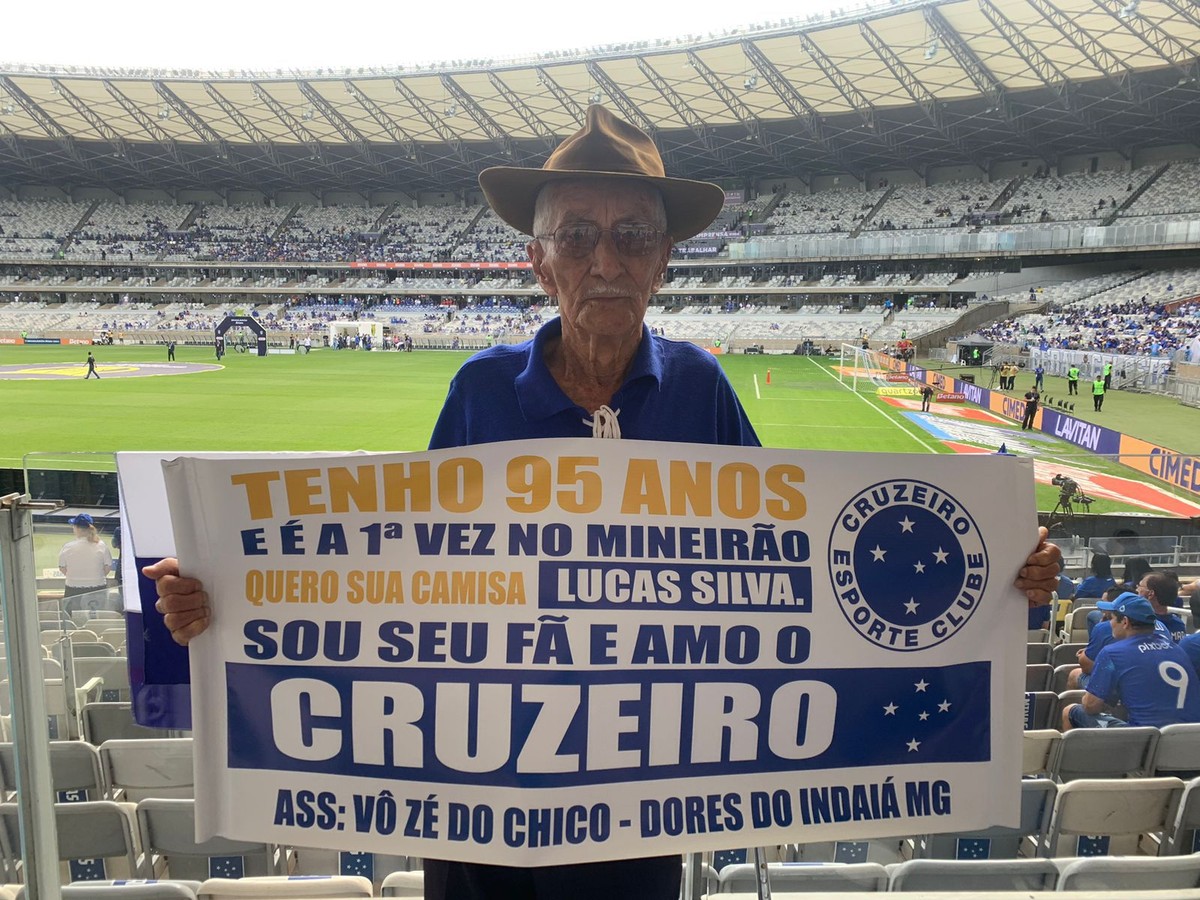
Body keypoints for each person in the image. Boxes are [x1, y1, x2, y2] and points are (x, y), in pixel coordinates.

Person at [144, 105, 1064, 900]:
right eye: (577, 236)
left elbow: (799, 568)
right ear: (540, 265)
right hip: (480, 796)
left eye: (632, 235)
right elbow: (392, 575)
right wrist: (225, 590)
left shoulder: (700, 390)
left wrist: (996, 574)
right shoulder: (480, 391)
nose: (606, 258)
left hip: (637, 793)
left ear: (665, 261)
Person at [1062, 595, 1200, 729]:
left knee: (1069, 711)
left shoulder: (1112, 652)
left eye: (1112, 618)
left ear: (1125, 622)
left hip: (1143, 737)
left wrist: (1089, 697)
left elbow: (1091, 707)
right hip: (1190, 734)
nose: (1109, 622)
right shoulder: (1177, 649)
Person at [58, 513, 113, 603]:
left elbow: (62, 568)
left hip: (73, 589)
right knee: (98, 616)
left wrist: (75, 577)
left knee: (72, 616)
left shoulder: (68, 547)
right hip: (98, 587)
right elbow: (107, 567)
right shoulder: (102, 546)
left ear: (77, 528)